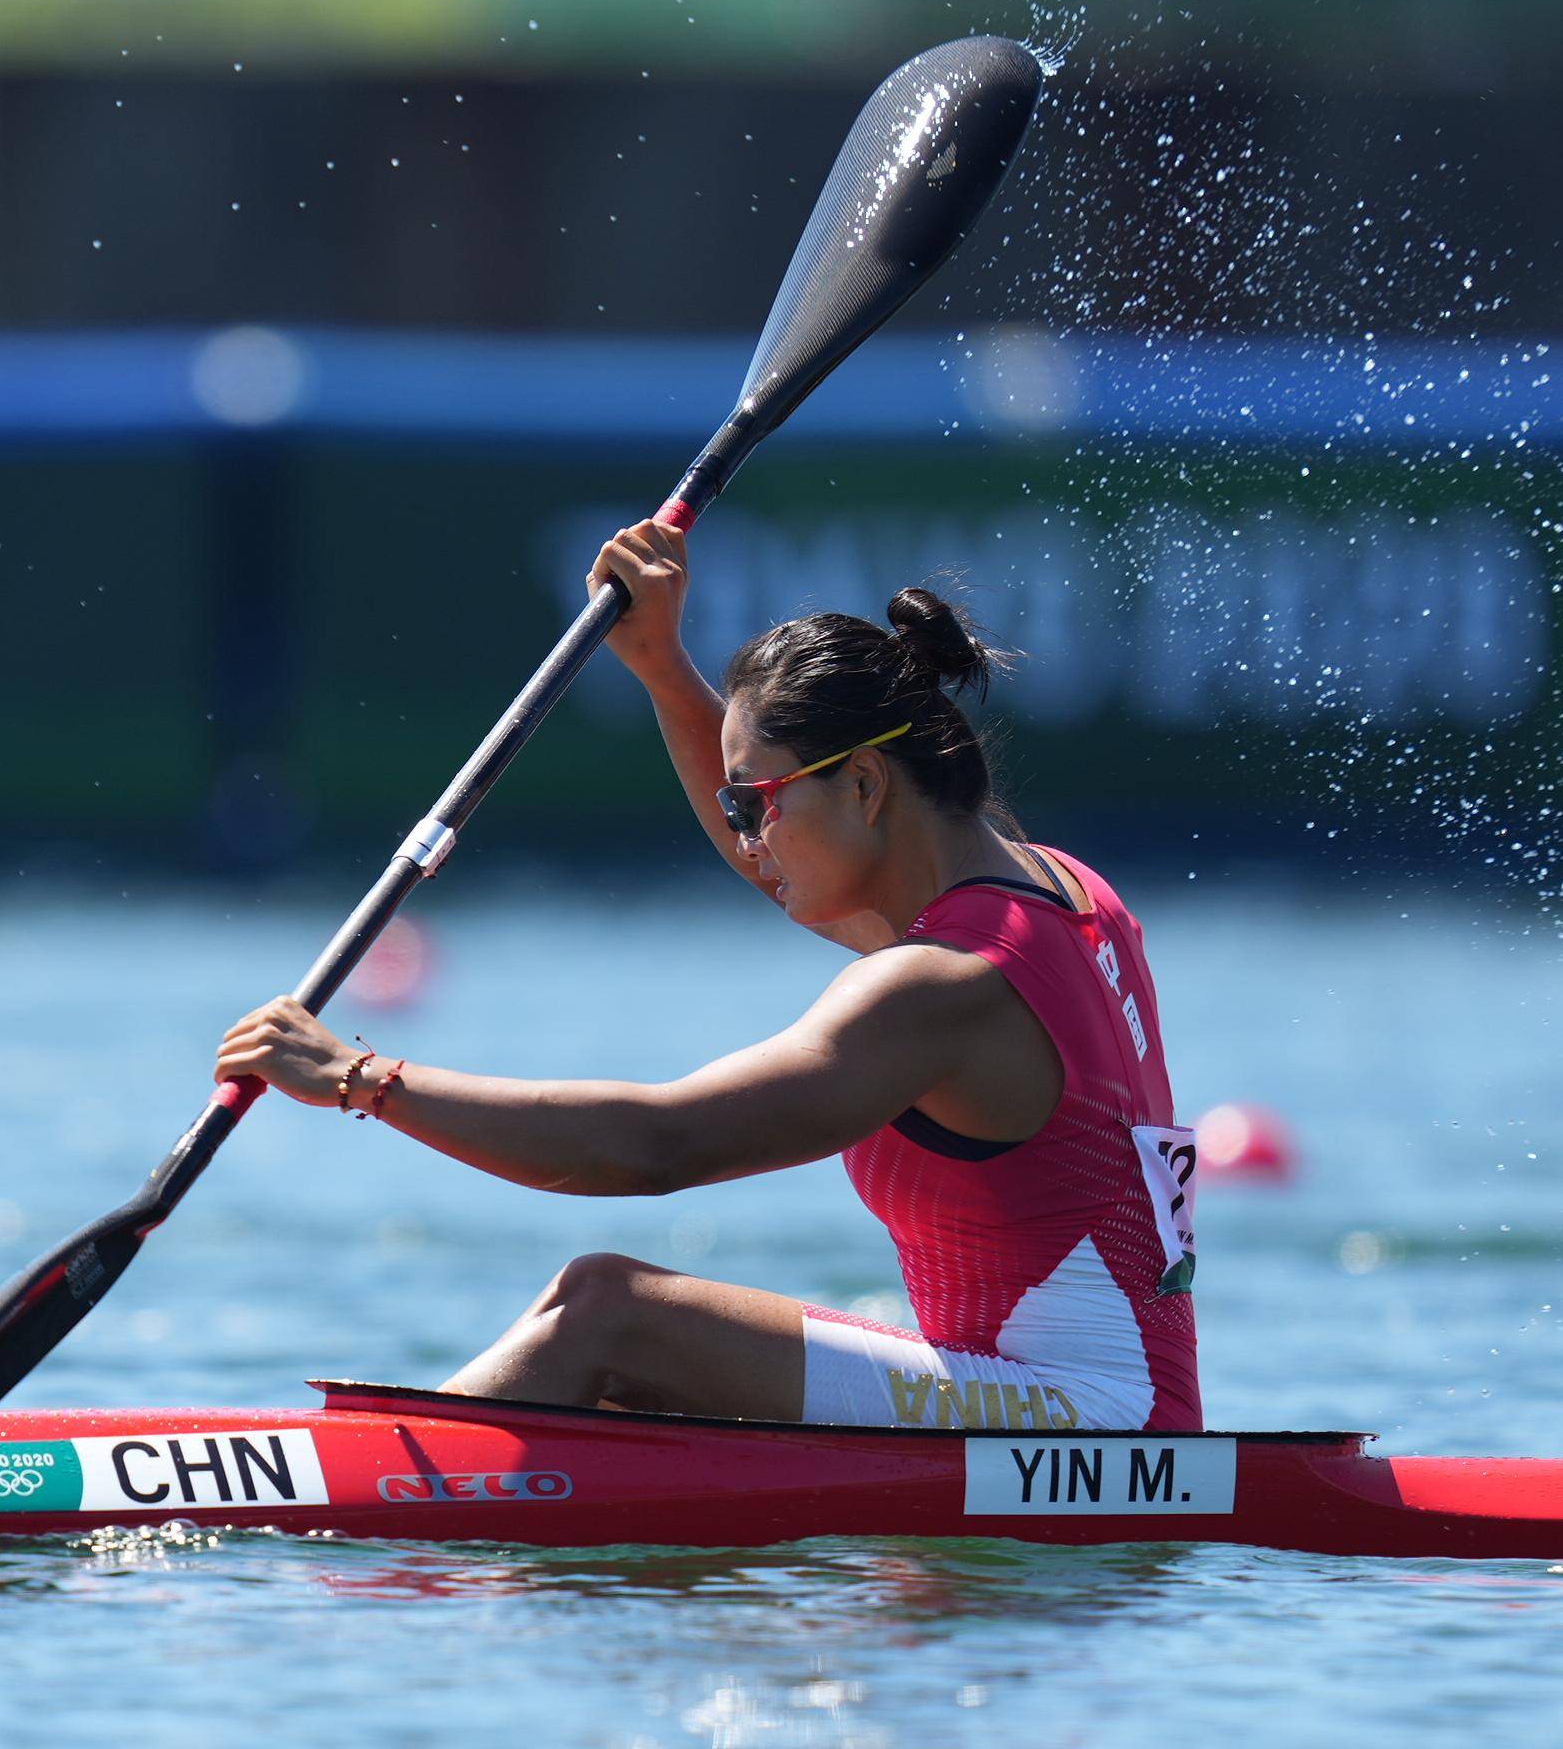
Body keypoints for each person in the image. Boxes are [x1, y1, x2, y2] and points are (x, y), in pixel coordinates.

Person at [214, 513, 1201, 1433]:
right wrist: (658, 665)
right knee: (594, 1311)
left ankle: (361, 1536)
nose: (748, 844)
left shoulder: (937, 988)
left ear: (863, 785)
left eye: (755, 806)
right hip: (1088, 1408)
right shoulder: (1059, 896)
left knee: (606, 1313)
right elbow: (800, 865)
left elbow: (657, 1146)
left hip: (1077, 1427)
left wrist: (362, 1080)